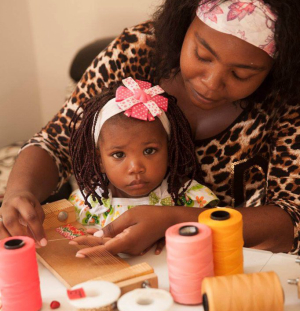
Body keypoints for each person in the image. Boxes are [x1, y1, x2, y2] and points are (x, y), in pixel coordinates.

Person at [1, 0, 299, 256]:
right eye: (202, 56)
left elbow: (292, 217)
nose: (210, 82)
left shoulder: (289, 97)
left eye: (240, 74)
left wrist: (177, 221)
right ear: (183, 26)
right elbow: (56, 141)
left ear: (276, 69)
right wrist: (19, 192)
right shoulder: (137, 51)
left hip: (227, 259)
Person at [68, 78, 218, 237]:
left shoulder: (189, 198)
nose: (135, 167)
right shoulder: (87, 205)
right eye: (119, 155)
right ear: (100, 161)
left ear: (169, 151)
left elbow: (218, 233)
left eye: (149, 151)